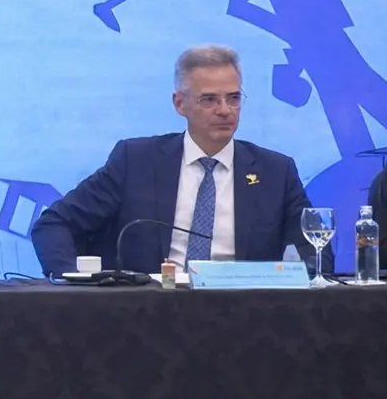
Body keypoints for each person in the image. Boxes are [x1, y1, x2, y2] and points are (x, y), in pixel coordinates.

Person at [31, 44, 324, 277]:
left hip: (245, 316)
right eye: (209, 100)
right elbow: (55, 223)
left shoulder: (275, 171)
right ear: (179, 104)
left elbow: (315, 252)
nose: (225, 110)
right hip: (147, 316)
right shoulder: (135, 161)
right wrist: (75, 284)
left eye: (233, 98)